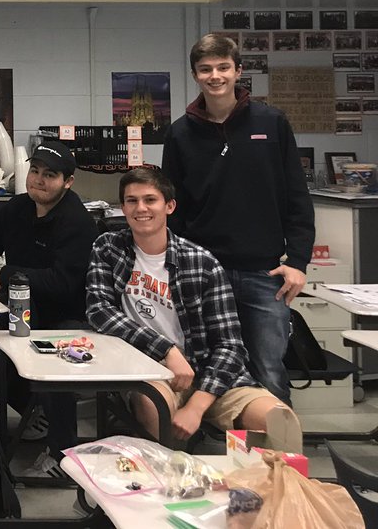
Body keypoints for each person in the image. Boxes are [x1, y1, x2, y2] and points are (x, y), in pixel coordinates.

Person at [86, 168, 303, 452]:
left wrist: (198, 406)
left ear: (170, 206)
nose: (141, 208)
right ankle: (173, 487)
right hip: (152, 369)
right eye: (131, 201)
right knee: (155, 409)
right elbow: (99, 311)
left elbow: (230, 346)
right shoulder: (108, 248)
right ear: (122, 207)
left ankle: (265, 493)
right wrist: (167, 350)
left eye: (150, 200)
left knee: (280, 422)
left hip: (208, 372)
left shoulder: (202, 262)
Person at [162, 34, 315, 402]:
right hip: (202, 272)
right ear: (196, 75)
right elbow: (173, 206)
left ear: (238, 71)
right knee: (203, 366)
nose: (215, 75)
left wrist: (297, 261)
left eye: (223, 67)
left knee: (268, 369)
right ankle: (216, 452)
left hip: (264, 274)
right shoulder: (181, 133)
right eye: (206, 69)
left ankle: (277, 456)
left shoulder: (272, 123)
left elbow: (296, 196)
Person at [0, 140, 96, 476]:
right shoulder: (18, 208)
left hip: (64, 317)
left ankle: (63, 454)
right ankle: (18, 418)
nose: (38, 179)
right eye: (35, 171)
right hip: (23, 309)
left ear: (68, 181)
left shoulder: (76, 221)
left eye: (49, 175)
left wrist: (8, 274)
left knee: (53, 365)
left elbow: (63, 283)